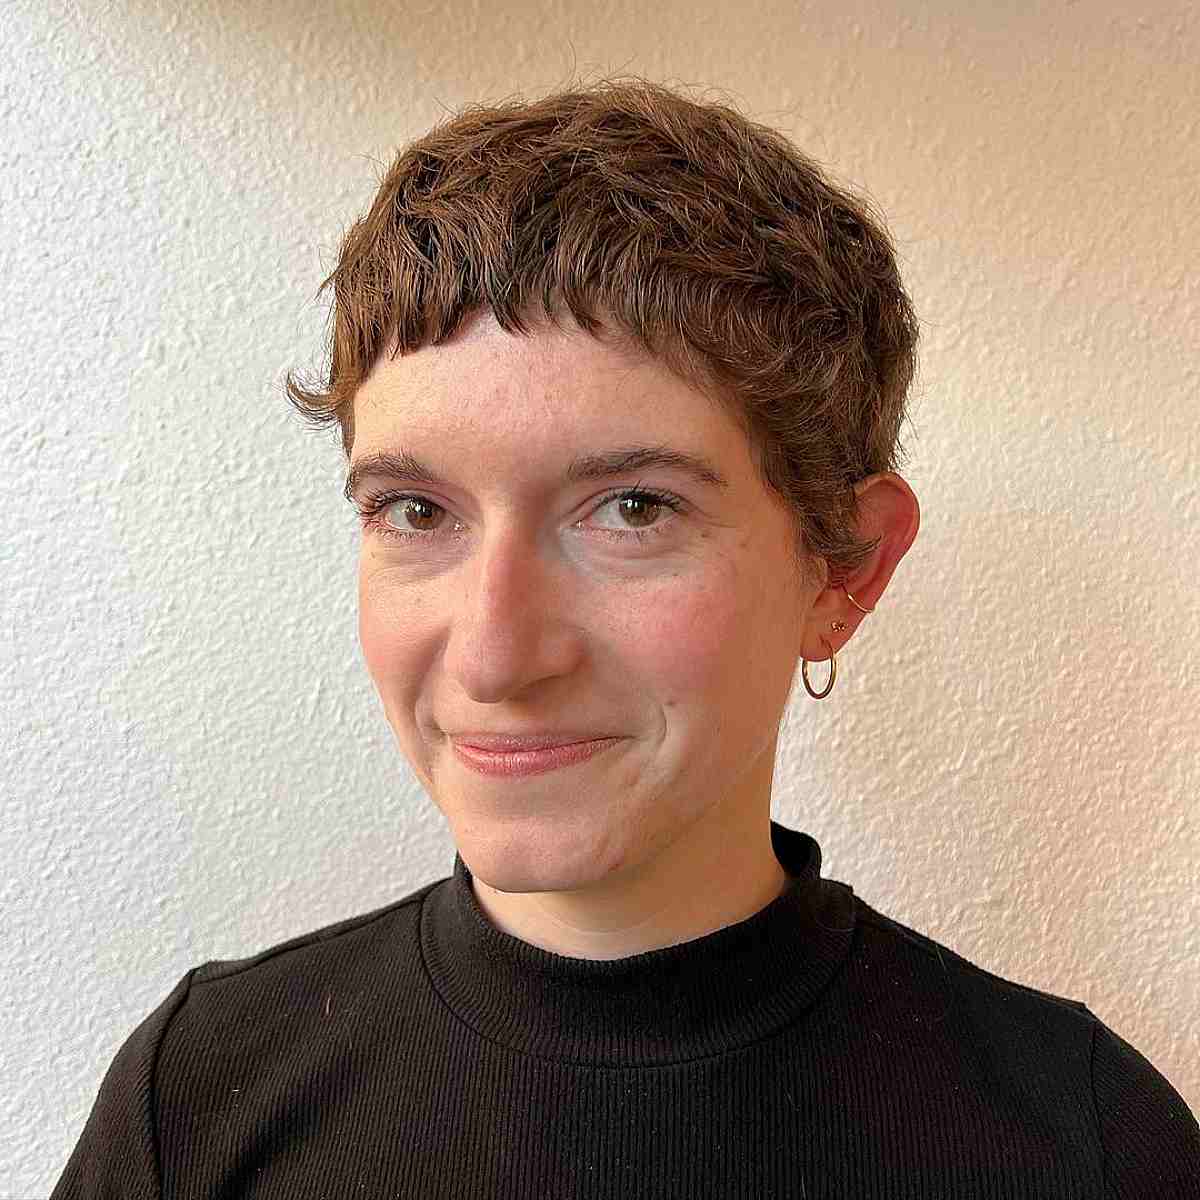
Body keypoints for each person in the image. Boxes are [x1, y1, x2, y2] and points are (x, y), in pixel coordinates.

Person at [52, 77, 1198, 1199]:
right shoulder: (197, 1100)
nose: (495, 656)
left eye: (634, 509)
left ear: (844, 570)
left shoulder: (1086, 1146)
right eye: (417, 511)